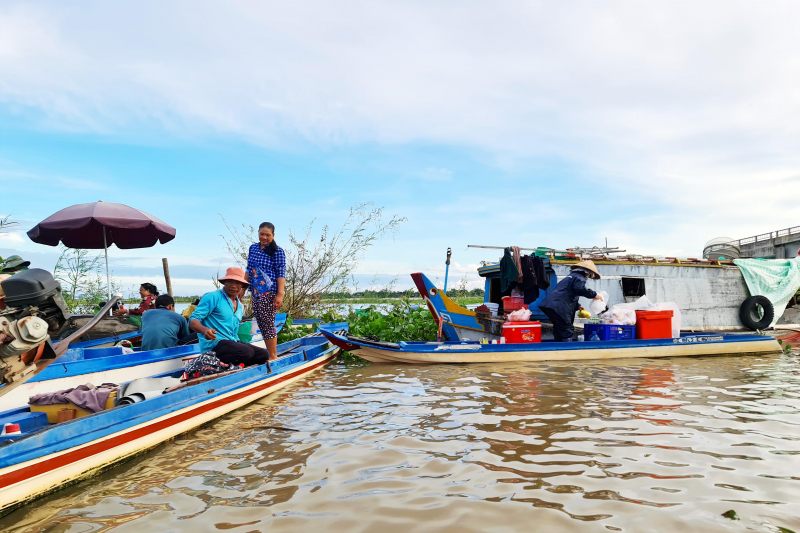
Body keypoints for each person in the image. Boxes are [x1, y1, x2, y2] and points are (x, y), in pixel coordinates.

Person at [189, 267, 271, 366]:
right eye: (230, 282)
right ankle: (210, 363)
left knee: (263, 355)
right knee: (246, 352)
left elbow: (234, 332)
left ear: (242, 286)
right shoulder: (213, 297)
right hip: (214, 345)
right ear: (225, 282)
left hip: (232, 342)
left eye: (237, 283)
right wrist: (205, 330)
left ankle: (234, 367)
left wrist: (240, 343)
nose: (233, 286)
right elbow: (193, 320)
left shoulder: (239, 305)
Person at [246, 222, 286, 361]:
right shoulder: (253, 248)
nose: (264, 237)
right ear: (258, 233)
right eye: (261, 234)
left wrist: (280, 295)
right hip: (255, 291)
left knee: (268, 323)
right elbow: (248, 269)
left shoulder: (277, 251)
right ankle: (270, 353)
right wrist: (242, 287)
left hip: (269, 293)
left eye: (267, 235)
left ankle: (273, 356)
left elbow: (281, 273)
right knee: (261, 323)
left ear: (273, 235)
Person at [539, 260, 603, 342]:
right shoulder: (580, 278)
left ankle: (558, 346)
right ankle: (567, 347)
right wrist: (594, 295)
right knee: (566, 328)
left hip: (549, 304)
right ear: (588, 272)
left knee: (559, 327)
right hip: (559, 306)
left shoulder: (571, 277)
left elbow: (567, 292)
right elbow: (580, 289)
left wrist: (577, 306)